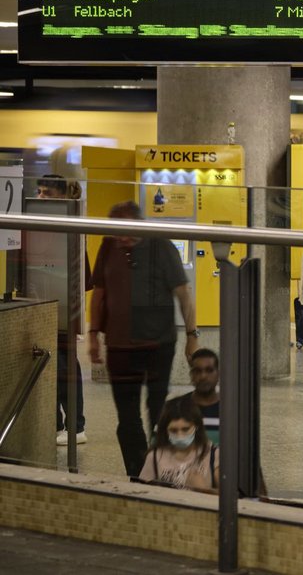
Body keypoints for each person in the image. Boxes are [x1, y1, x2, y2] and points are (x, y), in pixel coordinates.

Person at [89, 201, 198, 478]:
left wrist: (191, 336)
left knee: (157, 411)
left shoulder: (161, 246)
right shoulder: (108, 245)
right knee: (127, 419)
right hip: (119, 346)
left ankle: (161, 469)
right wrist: (92, 334)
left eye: (126, 231)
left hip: (157, 345)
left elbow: (183, 294)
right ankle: (138, 473)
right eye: (117, 231)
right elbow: (99, 292)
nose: (121, 238)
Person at [36, 174, 89, 446]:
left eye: (46, 193)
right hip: (44, 302)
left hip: (65, 307)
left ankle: (75, 425)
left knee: (65, 366)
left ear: (61, 197)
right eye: (39, 192)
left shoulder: (71, 225)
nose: (40, 198)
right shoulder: (41, 224)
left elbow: (83, 277)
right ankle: (57, 423)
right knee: (53, 365)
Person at [138, 397, 218, 494]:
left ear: (196, 427)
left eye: (185, 429)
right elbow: (141, 495)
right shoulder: (154, 457)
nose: (180, 436)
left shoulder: (213, 454)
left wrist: (202, 488)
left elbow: (229, 499)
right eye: (173, 430)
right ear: (165, 431)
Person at [166, 348, 220, 445]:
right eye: (197, 371)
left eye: (209, 370)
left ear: (218, 374)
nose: (203, 376)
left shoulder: (231, 409)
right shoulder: (174, 407)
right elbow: (160, 449)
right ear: (191, 375)